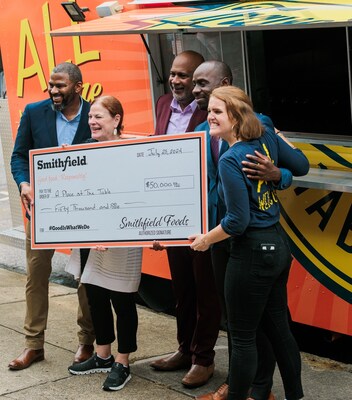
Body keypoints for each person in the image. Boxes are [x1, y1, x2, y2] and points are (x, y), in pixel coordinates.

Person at [190, 86, 308, 400]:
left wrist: (205, 240)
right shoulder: (267, 137)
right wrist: (278, 174)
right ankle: (295, 396)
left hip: (250, 252)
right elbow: (297, 167)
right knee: (280, 330)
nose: (209, 116)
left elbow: (236, 222)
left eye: (217, 112)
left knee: (242, 339)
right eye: (209, 110)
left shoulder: (231, 159)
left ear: (237, 115)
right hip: (278, 247)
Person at [9, 62, 95, 370]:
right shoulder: (34, 112)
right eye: (51, 85)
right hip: (43, 209)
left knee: (86, 276)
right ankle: (34, 345)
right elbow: (19, 155)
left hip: (86, 208)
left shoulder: (94, 114)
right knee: (36, 276)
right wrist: (24, 183)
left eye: (60, 86)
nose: (53, 90)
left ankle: (87, 341)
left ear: (78, 87)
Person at [150, 50, 222, 389]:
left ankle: (203, 359)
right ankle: (184, 349)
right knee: (182, 288)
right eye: (174, 74)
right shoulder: (164, 103)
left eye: (187, 77)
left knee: (205, 288)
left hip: (205, 215)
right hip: (172, 210)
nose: (179, 82)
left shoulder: (214, 111)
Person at [66, 95, 142, 392]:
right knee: (95, 296)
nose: (92, 122)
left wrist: (109, 230)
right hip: (90, 239)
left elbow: (137, 195)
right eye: (90, 118)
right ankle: (103, 355)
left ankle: (122, 362)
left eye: (99, 117)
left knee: (122, 300)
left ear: (116, 119)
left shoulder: (133, 151)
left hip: (122, 238)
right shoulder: (82, 151)